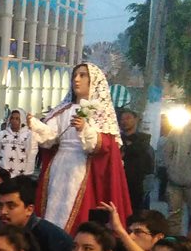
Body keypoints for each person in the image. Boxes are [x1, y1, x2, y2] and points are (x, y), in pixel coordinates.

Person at [27, 63, 133, 233]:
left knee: (75, 208)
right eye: (75, 75)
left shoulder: (98, 111)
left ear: (94, 81)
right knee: (53, 205)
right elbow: (51, 137)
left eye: (83, 75)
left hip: (82, 167)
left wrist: (84, 128)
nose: (77, 79)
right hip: (59, 167)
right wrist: (36, 125)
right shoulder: (63, 110)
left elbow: (104, 145)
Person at [117, 108, 154, 213]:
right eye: (122, 119)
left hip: (137, 185)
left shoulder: (144, 141)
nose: (124, 121)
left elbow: (149, 167)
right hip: (119, 182)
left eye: (128, 118)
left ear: (136, 119)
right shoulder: (117, 140)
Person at [0, 108, 37, 178]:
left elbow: (31, 155)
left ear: (22, 120)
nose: (14, 121)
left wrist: (27, 173)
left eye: (17, 119)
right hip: (2, 174)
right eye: (12, 118)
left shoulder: (29, 135)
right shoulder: (1, 134)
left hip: (20, 175)